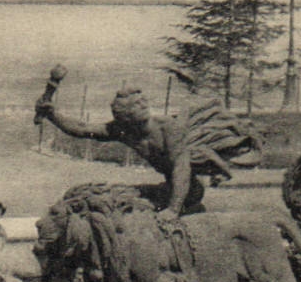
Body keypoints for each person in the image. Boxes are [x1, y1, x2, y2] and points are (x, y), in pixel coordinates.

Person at [35, 79, 262, 219]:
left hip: (186, 192)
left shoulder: (168, 129)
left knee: (130, 203)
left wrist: (173, 210)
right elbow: (82, 129)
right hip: (169, 187)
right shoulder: (123, 130)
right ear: (124, 117)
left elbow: (181, 169)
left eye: (143, 104)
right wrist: (52, 115)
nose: (142, 108)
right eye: (135, 107)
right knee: (120, 197)